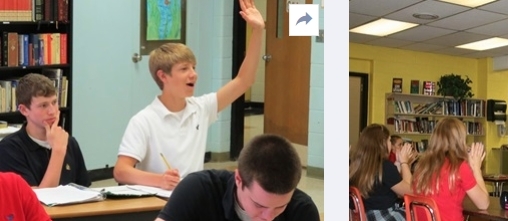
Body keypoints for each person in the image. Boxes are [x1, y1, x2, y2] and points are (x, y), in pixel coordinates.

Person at [114, 0, 264, 190]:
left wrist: (258, 31)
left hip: (193, 198)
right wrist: (159, 180)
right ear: (163, 76)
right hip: (159, 200)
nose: (193, 74)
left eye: (194, 67)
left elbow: (244, 80)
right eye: (184, 69)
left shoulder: (201, 108)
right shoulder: (144, 120)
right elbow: (121, 171)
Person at [155, 134, 319, 221]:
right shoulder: (198, 190)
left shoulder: (302, 210)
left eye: (280, 207)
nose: (268, 217)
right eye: (259, 205)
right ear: (239, 179)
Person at [0, 74, 90, 188]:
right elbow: (40, 200)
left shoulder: (69, 142)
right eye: (43, 105)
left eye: (54, 102)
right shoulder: (8, 149)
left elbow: (84, 191)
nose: (52, 111)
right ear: (24, 110)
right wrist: (58, 152)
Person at [411, 118, 488, 221]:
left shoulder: (422, 165)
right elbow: (483, 204)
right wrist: (476, 168)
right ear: (460, 140)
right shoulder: (459, 166)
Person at [350, 124, 414, 220]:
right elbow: (410, 192)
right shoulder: (385, 166)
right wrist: (404, 162)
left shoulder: (355, 165)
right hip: (384, 215)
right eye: (389, 140)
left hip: (366, 215)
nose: (390, 144)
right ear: (382, 143)